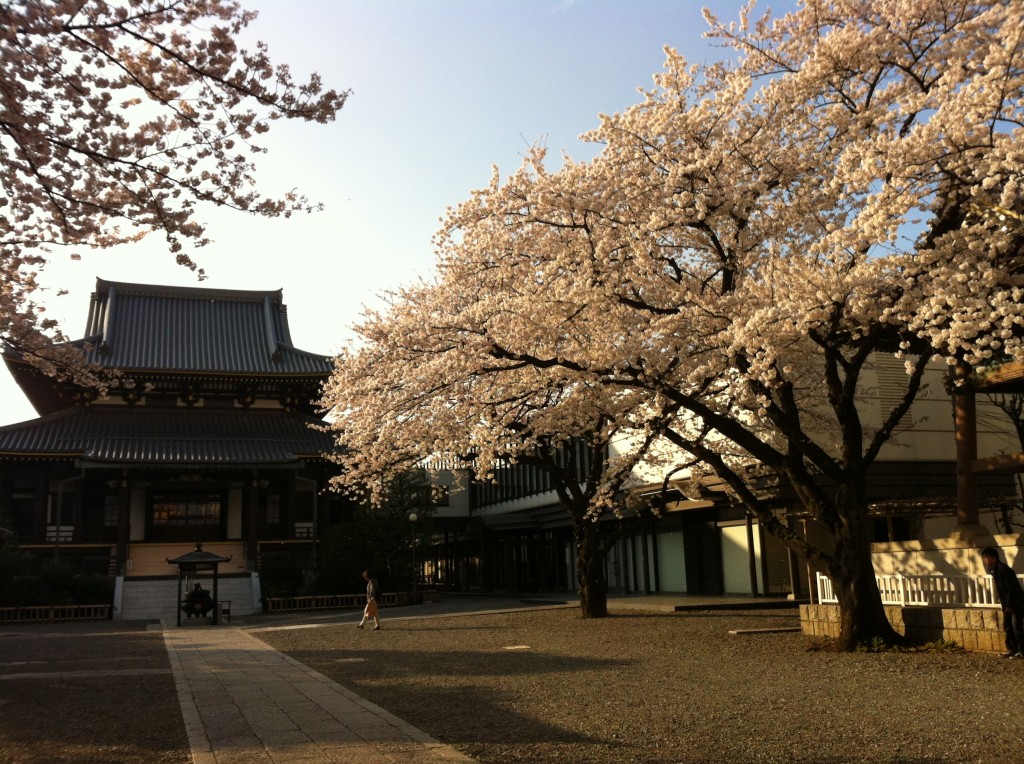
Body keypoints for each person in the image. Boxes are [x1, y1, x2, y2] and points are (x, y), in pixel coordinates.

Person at [981, 546, 1024, 658]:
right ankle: (1013, 649)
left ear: (994, 558)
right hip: (1007, 604)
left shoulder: (1003, 569)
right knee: (1007, 626)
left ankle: (1021, 651)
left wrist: (1009, 604)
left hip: (1016, 603)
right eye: (984, 558)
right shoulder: (993, 569)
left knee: (1016, 627)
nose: (985, 560)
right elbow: (1002, 588)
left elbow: (1012, 588)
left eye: (987, 558)